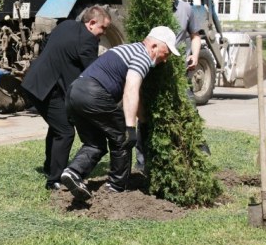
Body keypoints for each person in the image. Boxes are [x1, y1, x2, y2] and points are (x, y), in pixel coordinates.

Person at [60, 26, 179, 200]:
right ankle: (116, 188)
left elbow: (134, 95)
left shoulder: (125, 49)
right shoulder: (142, 56)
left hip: (75, 93)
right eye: (166, 53)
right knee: (122, 137)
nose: (165, 59)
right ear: (153, 46)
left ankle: (73, 172)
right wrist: (130, 128)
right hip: (94, 94)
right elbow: (131, 89)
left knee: (95, 144)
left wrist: (143, 121)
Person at [21, 6, 111, 189]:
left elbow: (46, 43)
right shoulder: (88, 40)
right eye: (103, 28)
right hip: (47, 90)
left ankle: (49, 167)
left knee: (57, 127)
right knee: (65, 132)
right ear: (92, 23)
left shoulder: (66, 25)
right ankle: (54, 180)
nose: (103, 33)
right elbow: (93, 73)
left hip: (34, 82)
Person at [136, 0, 208, 174]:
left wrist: (194, 55)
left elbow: (195, 36)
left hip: (179, 69)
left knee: (189, 109)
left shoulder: (186, 9)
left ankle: (201, 154)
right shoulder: (150, 10)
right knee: (146, 114)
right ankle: (142, 161)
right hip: (152, 69)